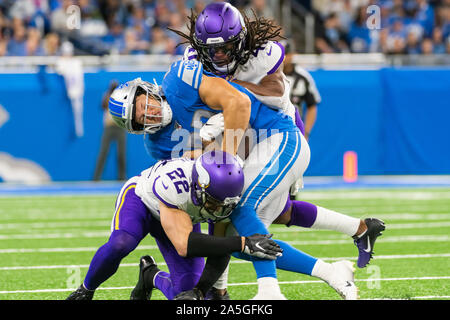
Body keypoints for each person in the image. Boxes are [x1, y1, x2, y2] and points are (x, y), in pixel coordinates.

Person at [169, 1, 385, 297]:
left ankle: (268, 290)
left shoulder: (263, 54)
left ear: (240, 41)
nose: (218, 56)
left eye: (225, 48)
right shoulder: (194, 59)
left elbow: (276, 94)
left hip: (278, 132)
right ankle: (346, 248)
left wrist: (232, 89)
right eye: (212, 50)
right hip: (247, 136)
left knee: (238, 206)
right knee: (256, 221)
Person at [109, 68, 359, 300]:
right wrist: (208, 147)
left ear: (147, 91)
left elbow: (268, 102)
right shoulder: (157, 144)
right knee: (244, 228)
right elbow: (200, 173)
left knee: (256, 220)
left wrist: (290, 151)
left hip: (264, 145)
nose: (148, 114)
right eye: (139, 119)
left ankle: (273, 287)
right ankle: (345, 248)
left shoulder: (182, 79)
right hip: (226, 172)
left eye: (143, 105)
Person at [66, 150, 282, 300]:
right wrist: (243, 242)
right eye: (214, 202)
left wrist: (199, 291)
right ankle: (86, 289)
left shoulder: (227, 196)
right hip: (142, 201)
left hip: (181, 218)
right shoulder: (176, 186)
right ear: (199, 187)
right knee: (121, 243)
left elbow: (220, 247)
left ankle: (150, 275)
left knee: (188, 295)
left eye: (224, 204)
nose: (219, 209)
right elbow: (184, 244)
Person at [283, 51, 321, 142]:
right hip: (271, 128)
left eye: (286, 53)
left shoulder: (303, 76)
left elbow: (312, 104)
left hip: (294, 129)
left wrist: (306, 132)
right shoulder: (269, 74)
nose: (284, 57)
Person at [93, 80, 126, 181]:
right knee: (103, 153)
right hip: (109, 126)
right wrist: (109, 94)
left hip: (120, 127)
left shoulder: (122, 96)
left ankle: (121, 177)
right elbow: (103, 105)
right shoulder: (107, 95)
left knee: (121, 153)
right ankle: (96, 178)